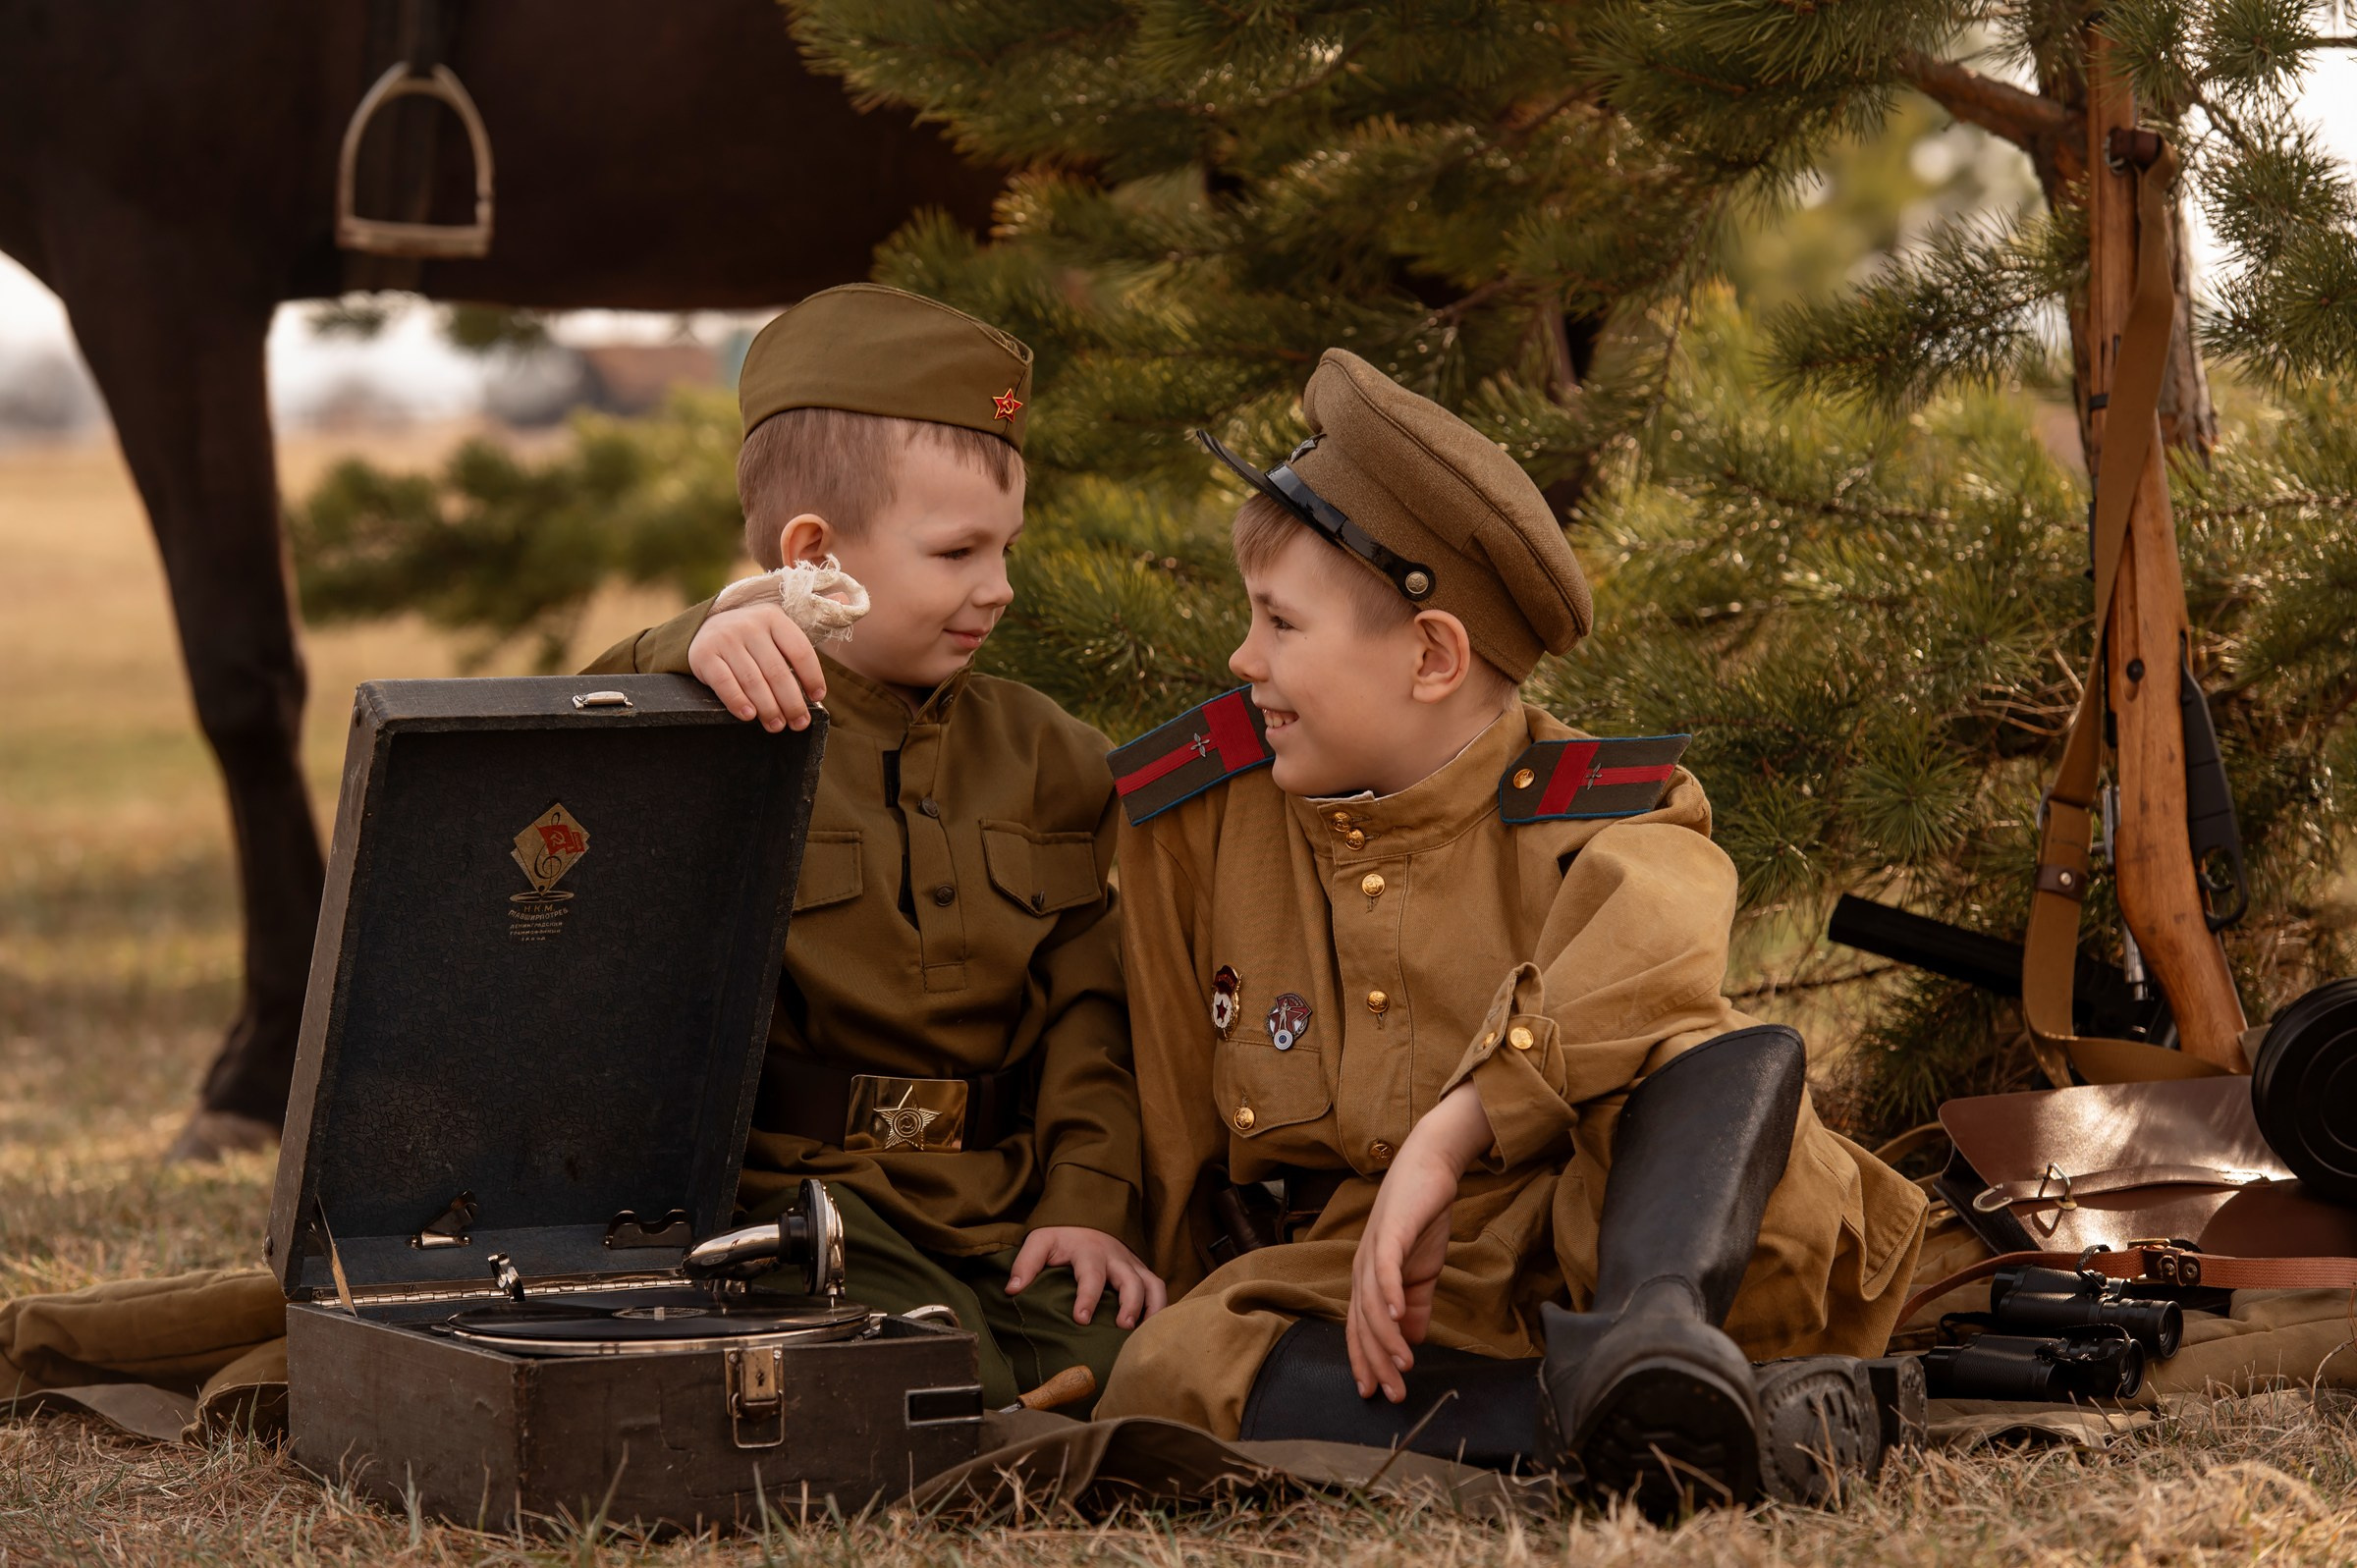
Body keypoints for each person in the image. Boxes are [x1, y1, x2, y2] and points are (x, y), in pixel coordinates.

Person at [1090, 349, 1929, 1503]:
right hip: (1369, 1281)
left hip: (1602, 1243)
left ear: (1434, 657)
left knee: (1715, 1080)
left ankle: (1657, 1345)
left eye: (1280, 623)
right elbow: (1178, 1118)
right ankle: (1628, 1426)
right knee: (1177, 1367)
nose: (1244, 661)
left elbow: (1665, 951)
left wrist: (1453, 1131)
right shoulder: (1201, 820)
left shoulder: (1602, 806)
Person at [585, 284, 1161, 1412]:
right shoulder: (719, 722)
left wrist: (1089, 1201)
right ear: (812, 554)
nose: (996, 588)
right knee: (939, 1383)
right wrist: (691, 635)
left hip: (1001, 1204)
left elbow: (1093, 1010)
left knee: (1144, 1361)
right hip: (798, 1208)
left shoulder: (1051, 754)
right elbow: (537, 773)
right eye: (956, 551)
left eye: (1007, 548)